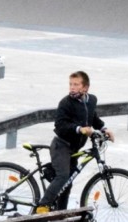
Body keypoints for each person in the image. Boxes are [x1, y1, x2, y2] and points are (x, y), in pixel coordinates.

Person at [35, 71, 115, 213]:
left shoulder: (91, 100)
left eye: (76, 84)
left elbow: (92, 118)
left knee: (67, 184)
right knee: (63, 176)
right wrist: (79, 129)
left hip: (74, 148)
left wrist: (104, 128)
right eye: (70, 84)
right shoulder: (66, 103)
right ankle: (43, 206)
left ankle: (60, 214)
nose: (72, 87)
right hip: (61, 145)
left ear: (85, 88)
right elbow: (59, 125)